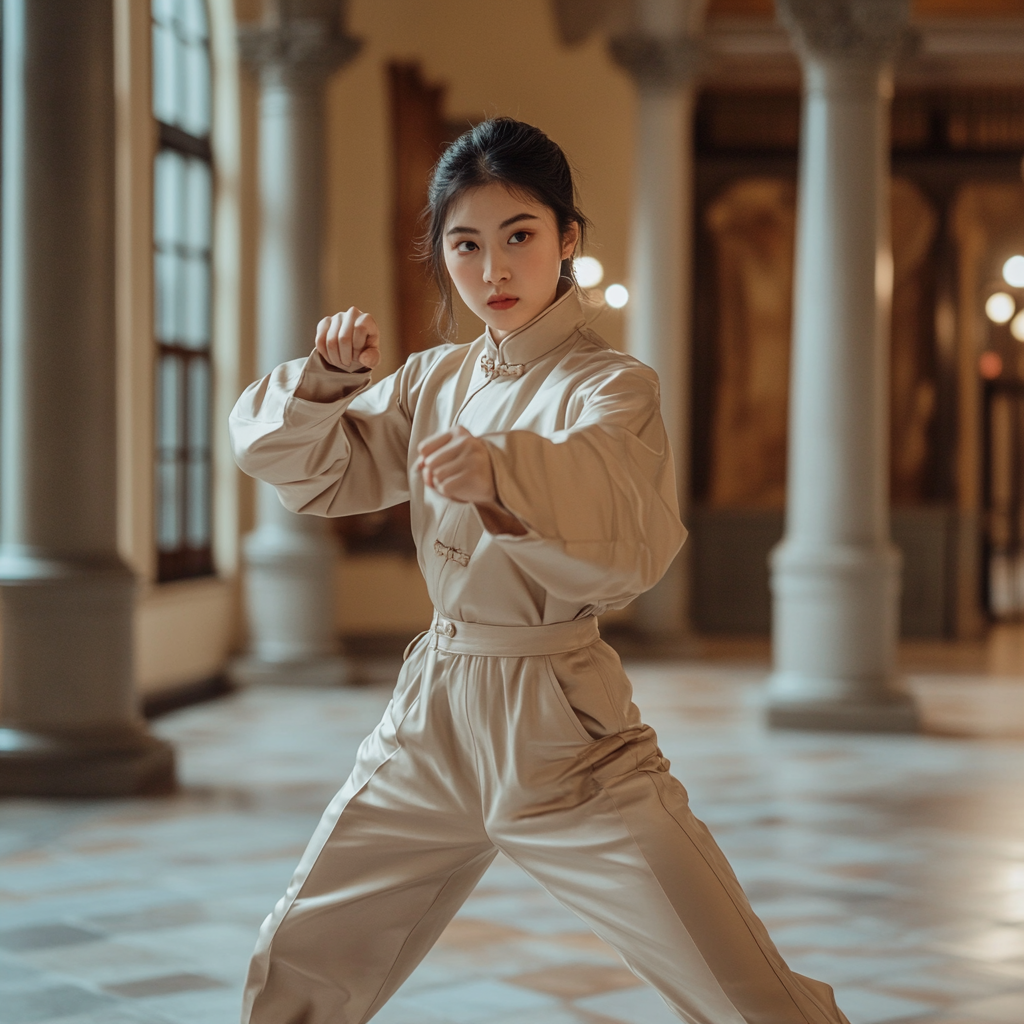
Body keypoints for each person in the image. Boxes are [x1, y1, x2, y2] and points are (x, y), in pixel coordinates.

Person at [229, 117, 850, 1024]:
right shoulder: (431, 379)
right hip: (430, 714)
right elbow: (307, 468)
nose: (493, 272)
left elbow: (625, 528)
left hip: (562, 728)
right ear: (442, 256)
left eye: (519, 237)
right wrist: (323, 377)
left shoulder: (613, 385)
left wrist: (502, 472)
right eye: (466, 245)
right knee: (299, 961)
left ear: (567, 240)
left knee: (739, 990)